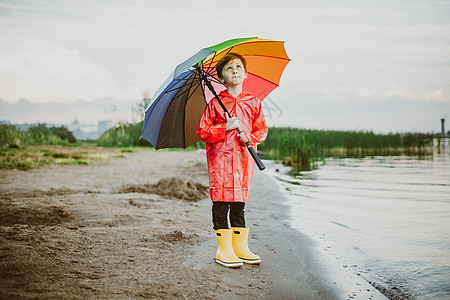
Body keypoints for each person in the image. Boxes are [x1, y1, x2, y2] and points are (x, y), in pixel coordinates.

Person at [196, 53, 268, 268]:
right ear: (221, 77)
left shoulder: (253, 101)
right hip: (220, 160)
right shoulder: (215, 104)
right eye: (229, 68)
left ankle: (240, 247)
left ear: (245, 73)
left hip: (243, 159)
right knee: (221, 202)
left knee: (238, 202)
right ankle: (224, 249)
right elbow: (202, 131)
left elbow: (261, 129)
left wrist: (251, 137)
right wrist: (224, 127)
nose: (235, 70)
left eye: (238, 67)